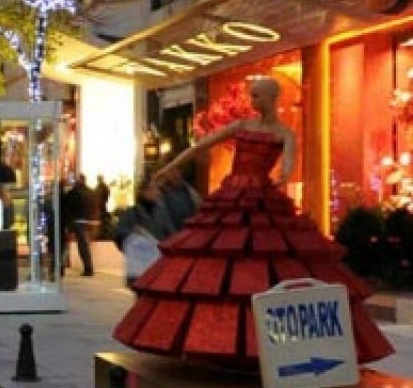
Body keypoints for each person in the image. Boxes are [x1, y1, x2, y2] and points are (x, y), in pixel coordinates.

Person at [114, 76, 394, 367]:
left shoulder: (284, 133)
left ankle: (271, 341)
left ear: (274, 98)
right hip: (232, 197)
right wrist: (170, 166)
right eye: (252, 96)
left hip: (263, 197)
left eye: (258, 96)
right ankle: (218, 337)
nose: (253, 101)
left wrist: (284, 174)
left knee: (269, 259)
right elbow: (202, 145)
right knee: (222, 256)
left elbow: (288, 158)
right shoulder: (242, 126)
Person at [60, 174, 96, 277]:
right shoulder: (90, 192)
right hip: (84, 221)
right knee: (83, 245)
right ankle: (88, 268)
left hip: (73, 221)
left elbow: (66, 208)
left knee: (65, 245)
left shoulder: (72, 193)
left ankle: (61, 268)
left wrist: (67, 223)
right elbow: (93, 207)